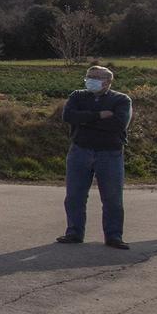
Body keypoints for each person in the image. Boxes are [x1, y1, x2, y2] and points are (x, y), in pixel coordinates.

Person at [59, 64, 133, 249]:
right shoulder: (77, 96)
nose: (91, 80)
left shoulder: (121, 100)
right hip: (80, 151)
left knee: (112, 197)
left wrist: (85, 120)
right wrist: (99, 115)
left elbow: (118, 124)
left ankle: (114, 236)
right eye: (89, 76)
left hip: (109, 153)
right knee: (74, 195)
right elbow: (68, 116)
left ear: (108, 82)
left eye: (96, 77)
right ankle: (74, 232)